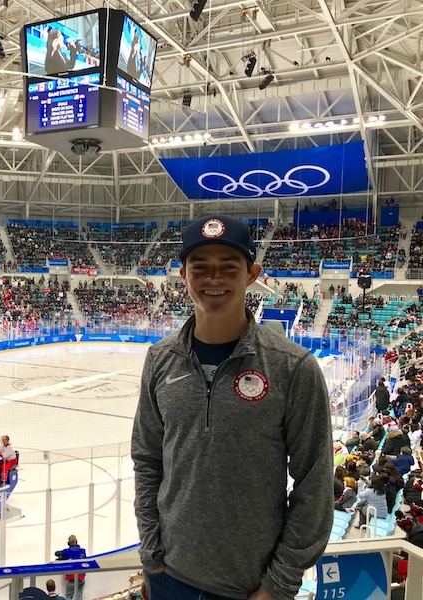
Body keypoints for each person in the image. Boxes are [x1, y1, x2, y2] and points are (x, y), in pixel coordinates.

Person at [132, 215, 333, 600]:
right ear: (183, 275)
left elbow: (315, 483)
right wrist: (152, 556)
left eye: (228, 267)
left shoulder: (293, 368)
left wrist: (278, 584)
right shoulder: (160, 360)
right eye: (200, 267)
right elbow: (147, 459)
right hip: (168, 576)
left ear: (252, 273)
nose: (214, 279)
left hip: (251, 587)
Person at [55, 535, 86, 600]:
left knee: (69, 596)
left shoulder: (66, 551)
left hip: (71, 577)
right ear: (76, 542)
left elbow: (56, 553)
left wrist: (63, 558)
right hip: (81, 576)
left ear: (68, 543)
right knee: (79, 595)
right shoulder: (83, 551)